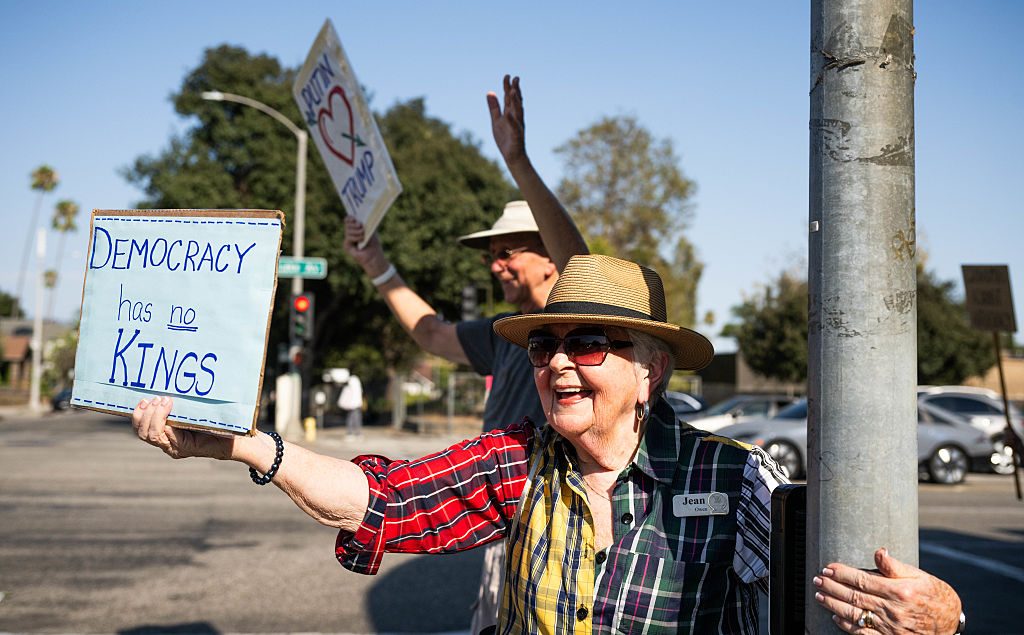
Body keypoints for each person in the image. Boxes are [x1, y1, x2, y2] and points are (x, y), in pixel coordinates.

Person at [132, 254, 964, 634]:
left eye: (589, 342)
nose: (559, 360)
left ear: (651, 372)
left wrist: (944, 617)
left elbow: (828, 601)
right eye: (544, 344)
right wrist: (246, 445)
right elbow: (380, 498)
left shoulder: (735, 476)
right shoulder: (516, 460)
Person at [343, 75, 587, 633]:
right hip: (507, 522)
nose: (495, 264)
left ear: (549, 257)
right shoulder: (504, 331)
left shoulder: (579, 318)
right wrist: (376, 265)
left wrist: (517, 161)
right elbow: (431, 334)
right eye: (491, 256)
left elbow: (578, 263)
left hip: (560, 517)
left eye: (508, 253)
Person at [336, 372, 363, 439]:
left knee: (353, 418)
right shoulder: (354, 386)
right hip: (354, 405)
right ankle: (353, 433)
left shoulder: (352, 386)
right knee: (354, 418)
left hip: (354, 405)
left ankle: (354, 433)